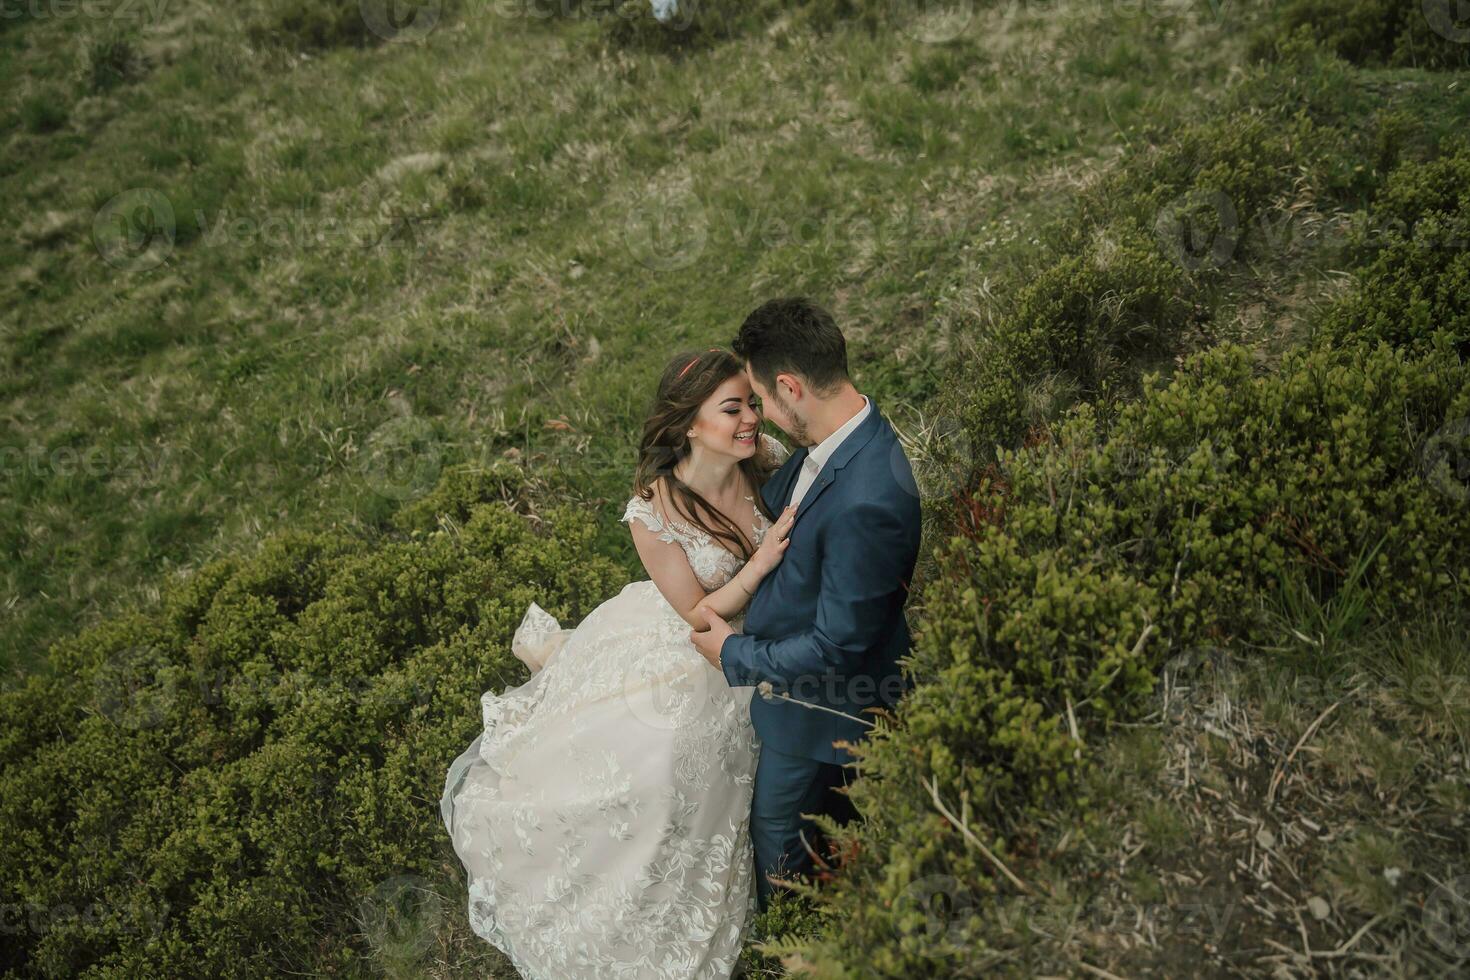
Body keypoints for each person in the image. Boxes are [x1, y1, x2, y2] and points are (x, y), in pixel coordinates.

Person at [440, 347, 796, 979]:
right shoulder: (654, 507)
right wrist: (763, 561)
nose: (750, 419)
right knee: (656, 771)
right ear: (689, 423)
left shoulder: (762, 459)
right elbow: (696, 615)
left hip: (764, 635)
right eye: (732, 408)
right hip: (690, 647)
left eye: (752, 404)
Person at [688, 297, 922, 909]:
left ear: (789, 385)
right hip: (802, 684)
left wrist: (734, 653)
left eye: (763, 399)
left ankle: (795, 952)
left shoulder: (867, 499)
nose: (761, 414)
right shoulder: (844, 436)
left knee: (780, 846)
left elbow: (837, 646)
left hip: (820, 711)